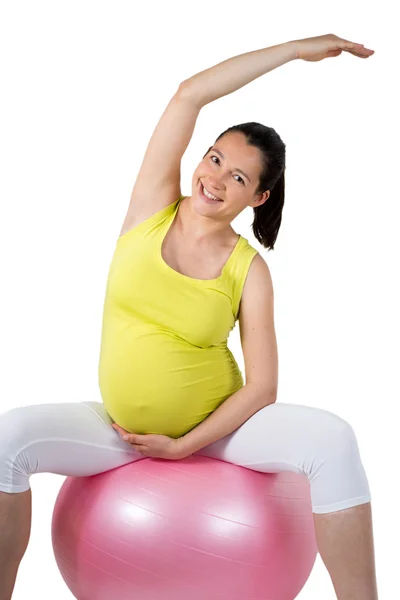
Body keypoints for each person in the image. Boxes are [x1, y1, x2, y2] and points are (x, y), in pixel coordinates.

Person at [0, 33, 378, 599]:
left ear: (258, 199)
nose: (215, 179)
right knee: (9, 438)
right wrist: (295, 52)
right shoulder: (151, 207)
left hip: (219, 435)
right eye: (216, 158)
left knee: (334, 441)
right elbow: (188, 95)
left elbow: (263, 387)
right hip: (120, 431)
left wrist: (186, 445)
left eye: (239, 179)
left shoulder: (249, 271)